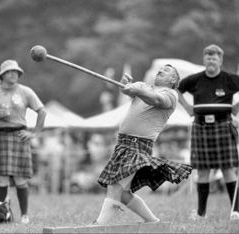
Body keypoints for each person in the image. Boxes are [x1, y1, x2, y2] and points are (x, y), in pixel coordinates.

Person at [90, 65, 192, 225]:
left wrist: (136, 89)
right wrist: (125, 85)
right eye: (161, 69)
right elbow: (128, 90)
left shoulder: (170, 94)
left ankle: (97, 227)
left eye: (166, 70)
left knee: (115, 187)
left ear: (173, 80)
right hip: (123, 144)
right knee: (123, 194)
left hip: (138, 145)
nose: (161, 70)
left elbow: (155, 99)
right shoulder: (144, 86)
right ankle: (153, 223)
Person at [177, 44, 239, 220]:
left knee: (227, 169)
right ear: (204, 59)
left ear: (220, 60)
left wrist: (236, 108)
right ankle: (201, 213)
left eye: (214, 58)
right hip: (201, 127)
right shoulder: (195, 79)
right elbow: (176, 89)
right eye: (208, 58)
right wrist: (188, 107)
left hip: (223, 125)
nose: (211, 61)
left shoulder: (229, 79)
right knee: (202, 171)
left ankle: (236, 211)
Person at [0, 60, 46, 224]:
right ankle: (0, 215)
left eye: (16, 72)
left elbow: (42, 111)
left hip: (19, 136)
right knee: (1, 179)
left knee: (20, 179)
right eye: (10, 72)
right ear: (2, 75)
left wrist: (35, 132)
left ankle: (24, 215)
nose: (14, 74)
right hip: (0, 136)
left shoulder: (25, 91)